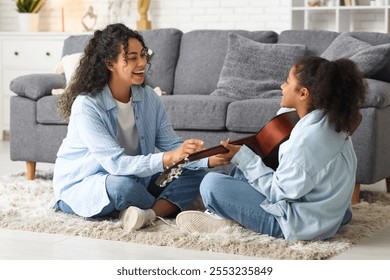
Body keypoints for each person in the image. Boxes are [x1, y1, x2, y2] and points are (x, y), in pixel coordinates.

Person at [176, 56, 367, 241]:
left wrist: (244, 159)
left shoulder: (306, 142)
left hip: (299, 223)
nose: (281, 87)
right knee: (249, 165)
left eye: (287, 82)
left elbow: (279, 191)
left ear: (303, 93)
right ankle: (226, 214)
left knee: (211, 184)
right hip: (332, 213)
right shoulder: (330, 123)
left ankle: (225, 219)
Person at [53, 23, 208, 232]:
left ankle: (148, 214)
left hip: (137, 178)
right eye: (133, 58)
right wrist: (169, 158)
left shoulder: (149, 98)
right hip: (88, 183)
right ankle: (170, 204)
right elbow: (116, 164)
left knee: (196, 174)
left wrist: (207, 158)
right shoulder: (87, 105)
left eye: (143, 55)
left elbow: (172, 144)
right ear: (110, 64)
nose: (143, 62)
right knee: (123, 188)